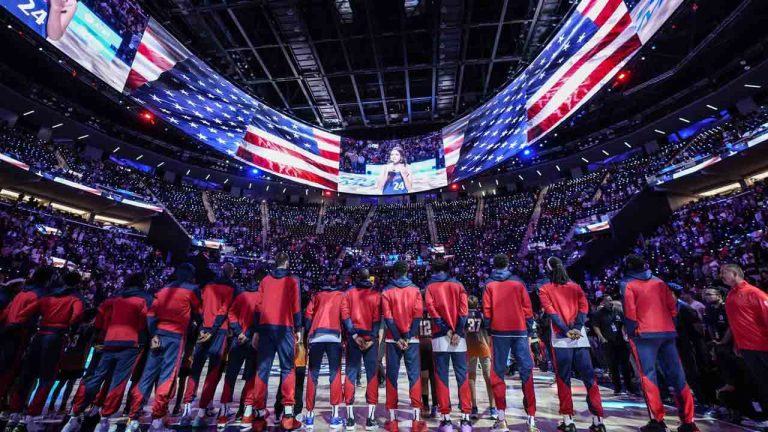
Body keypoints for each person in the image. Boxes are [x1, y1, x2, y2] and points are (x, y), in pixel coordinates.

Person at [62, 273, 152, 432]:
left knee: (94, 378)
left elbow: (99, 321)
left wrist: (99, 338)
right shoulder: (142, 300)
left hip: (105, 343)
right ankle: (104, 420)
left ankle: (75, 414)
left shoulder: (112, 300)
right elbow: (145, 323)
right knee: (117, 382)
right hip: (129, 344)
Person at [621, 255, 698, 432]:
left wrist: (632, 332)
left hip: (644, 335)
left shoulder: (627, 283)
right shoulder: (659, 281)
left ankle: (657, 421)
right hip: (667, 332)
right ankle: (688, 422)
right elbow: (672, 306)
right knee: (678, 376)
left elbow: (630, 312)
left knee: (648, 376)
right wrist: (668, 323)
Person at [128, 263, 202, 432]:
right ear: (191, 275)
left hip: (158, 335)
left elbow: (151, 315)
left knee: (147, 376)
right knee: (167, 377)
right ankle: (157, 421)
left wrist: (153, 335)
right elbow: (199, 313)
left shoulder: (163, 290)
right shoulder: (193, 290)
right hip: (175, 337)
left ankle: (133, 419)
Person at [9, 269, 85, 431]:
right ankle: (31, 416)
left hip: (40, 334)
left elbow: (24, 313)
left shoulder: (48, 296)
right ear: (78, 283)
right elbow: (77, 316)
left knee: (27, 375)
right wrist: (67, 326)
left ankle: (13, 413)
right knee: (47, 377)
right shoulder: (75, 298)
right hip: (56, 337)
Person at [539, 257, 605, 432]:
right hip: (579, 337)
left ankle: (568, 422)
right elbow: (584, 309)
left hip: (561, 340)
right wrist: (576, 328)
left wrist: (564, 330)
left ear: (548, 269)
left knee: (563, 379)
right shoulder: (576, 287)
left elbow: (551, 313)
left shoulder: (545, 289)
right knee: (590, 379)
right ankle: (598, 421)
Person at [481, 254, 538, 432]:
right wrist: (529, 330)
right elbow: (528, 309)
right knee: (526, 373)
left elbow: (487, 311)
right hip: (520, 331)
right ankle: (531, 421)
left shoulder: (489, 285)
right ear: (507, 264)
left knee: (498, 375)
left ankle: (502, 420)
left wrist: (490, 329)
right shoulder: (518, 283)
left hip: (499, 333)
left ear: (494, 265)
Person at [250, 252, 303, 431]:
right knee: (288, 368)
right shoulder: (292, 281)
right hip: (285, 328)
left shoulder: (265, 280)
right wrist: (299, 329)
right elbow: (296, 306)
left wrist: (256, 330)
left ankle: (258, 416)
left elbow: (258, 307)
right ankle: (288, 416)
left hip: (265, 328)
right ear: (286, 263)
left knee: (262, 370)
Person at [182, 263, 237, 427]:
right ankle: (202, 410)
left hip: (204, 328)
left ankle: (187, 407)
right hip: (219, 331)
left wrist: (202, 326)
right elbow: (225, 310)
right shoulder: (232, 288)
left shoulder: (207, 286)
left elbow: (198, 308)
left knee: (196, 369)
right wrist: (213, 330)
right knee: (213, 371)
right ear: (232, 273)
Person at [425, 257, 472, 432]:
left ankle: (446, 420)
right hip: (458, 339)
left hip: (440, 337)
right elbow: (464, 311)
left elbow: (432, 311)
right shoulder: (458, 285)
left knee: (441, 377)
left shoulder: (430, 287)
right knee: (462, 376)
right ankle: (466, 420)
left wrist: (447, 330)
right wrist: (458, 331)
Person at [0, 267, 54, 422]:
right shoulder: (40, 295)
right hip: (20, 335)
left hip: (8, 333)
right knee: (13, 371)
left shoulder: (21, 293)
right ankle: (8, 404)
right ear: (48, 279)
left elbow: (5, 313)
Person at [721, 264, 768, 428]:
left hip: (763, 345)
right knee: (762, 383)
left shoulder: (754, 293)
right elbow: (735, 323)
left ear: (734, 273)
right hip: (747, 348)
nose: (721, 275)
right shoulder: (730, 295)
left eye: (723, 273)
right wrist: (737, 343)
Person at [382, 260, 426, 432]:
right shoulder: (415, 290)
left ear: (394, 273)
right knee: (414, 376)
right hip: (411, 339)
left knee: (391, 377)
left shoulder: (386, 290)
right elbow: (417, 316)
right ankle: (416, 420)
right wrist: (407, 336)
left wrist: (398, 336)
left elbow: (388, 317)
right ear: (407, 271)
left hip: (393, 339)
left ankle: (392, 421)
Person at [303, 280, 350, 429]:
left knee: (312, 374)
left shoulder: (317, 295)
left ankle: (309, 417)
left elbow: (308, 314)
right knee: (334, 375)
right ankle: (335, 417)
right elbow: (345, 316)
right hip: (334, 337)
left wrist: (306, 334)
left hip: (317, 336)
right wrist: (351, 334)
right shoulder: (341, 295)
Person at [343, 268, 382, 430]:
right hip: (369, 340)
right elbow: (377, 319)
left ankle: (350, 419)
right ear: (370, 279)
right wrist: (371, 339)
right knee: (371, 375)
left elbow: (345, 316)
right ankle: (371, 419)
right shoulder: (375, 295)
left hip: (354, 339)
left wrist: (354, 336)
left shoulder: (348, 293)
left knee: (351, 375)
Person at [221, 276, 262, 426]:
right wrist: (248, 334)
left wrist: (239, 332)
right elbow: (260, 319)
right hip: (253, 342)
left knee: (230, 375)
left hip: (238, 341)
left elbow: (231, 315)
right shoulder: (261, 297)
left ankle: (223, 413)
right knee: (251, 377)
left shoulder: (241, 295)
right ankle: (245, 412)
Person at [591, 295, 635, 395]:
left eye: (611, 300)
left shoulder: (618, 311)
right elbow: (596, 326)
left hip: (621, 341)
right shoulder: (598, 314)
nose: (610, 302)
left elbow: (624, 323)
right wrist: (602, 338)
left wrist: (625, 334)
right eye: (608, 301)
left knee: (626, 366)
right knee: (613, 366)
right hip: (608, 343)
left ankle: (630, 388)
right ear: (603, 303)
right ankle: (617, 388)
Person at [465, 296, 496, 421]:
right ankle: (492, 408)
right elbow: (489, 333)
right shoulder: (482, 315)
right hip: (483, 348)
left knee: (471, 378)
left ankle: (474, 407)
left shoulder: (464, 316)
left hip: (470, 348)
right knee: (488, 378)